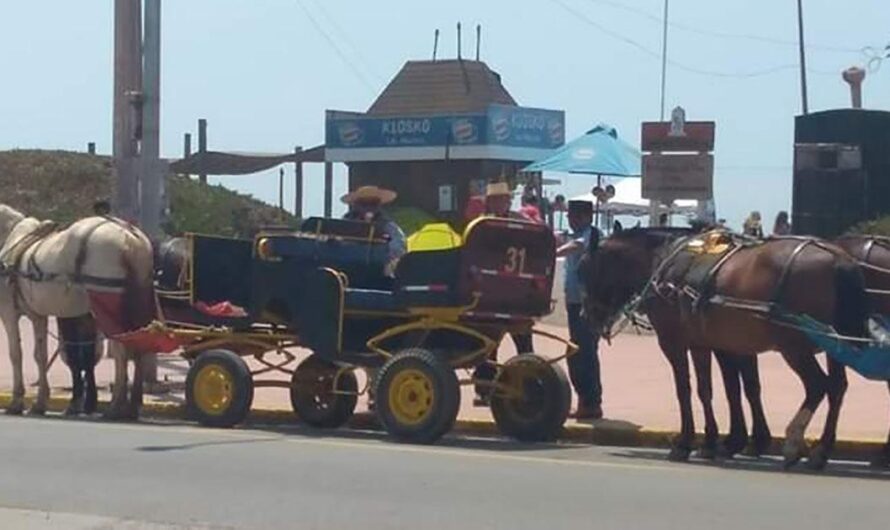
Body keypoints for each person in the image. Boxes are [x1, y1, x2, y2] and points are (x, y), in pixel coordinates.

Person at [472, 181, 535, 405]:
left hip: (517, 292)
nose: (499, 203)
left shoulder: (522, 222)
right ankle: (484, 390)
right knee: (487, 344)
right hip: (490, 292)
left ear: (509, 201)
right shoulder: (481, 224)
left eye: (503, 199)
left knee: (524, 343)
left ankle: (530, 387)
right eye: (495, 200)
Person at [557, 199, 603, 419]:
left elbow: (577, 246)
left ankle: (591, 402)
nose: (570, 220)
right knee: (578, 351)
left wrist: (555, 251)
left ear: (586, 217)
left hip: (587, 304)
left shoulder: (592, 235)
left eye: (573, 217)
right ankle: (587, 400)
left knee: (583, 352)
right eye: (569, 216)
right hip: (574, 302)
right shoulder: (576, 233)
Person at [340, 185, 406, 277]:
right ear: (356, 205)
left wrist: (388, 254)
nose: (368, 207)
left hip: (378, 270)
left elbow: (398, 245)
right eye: (363, 204)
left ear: (379, 205)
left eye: (373, 203)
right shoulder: (344, 224)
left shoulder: (387, 225)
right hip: (346, 268)